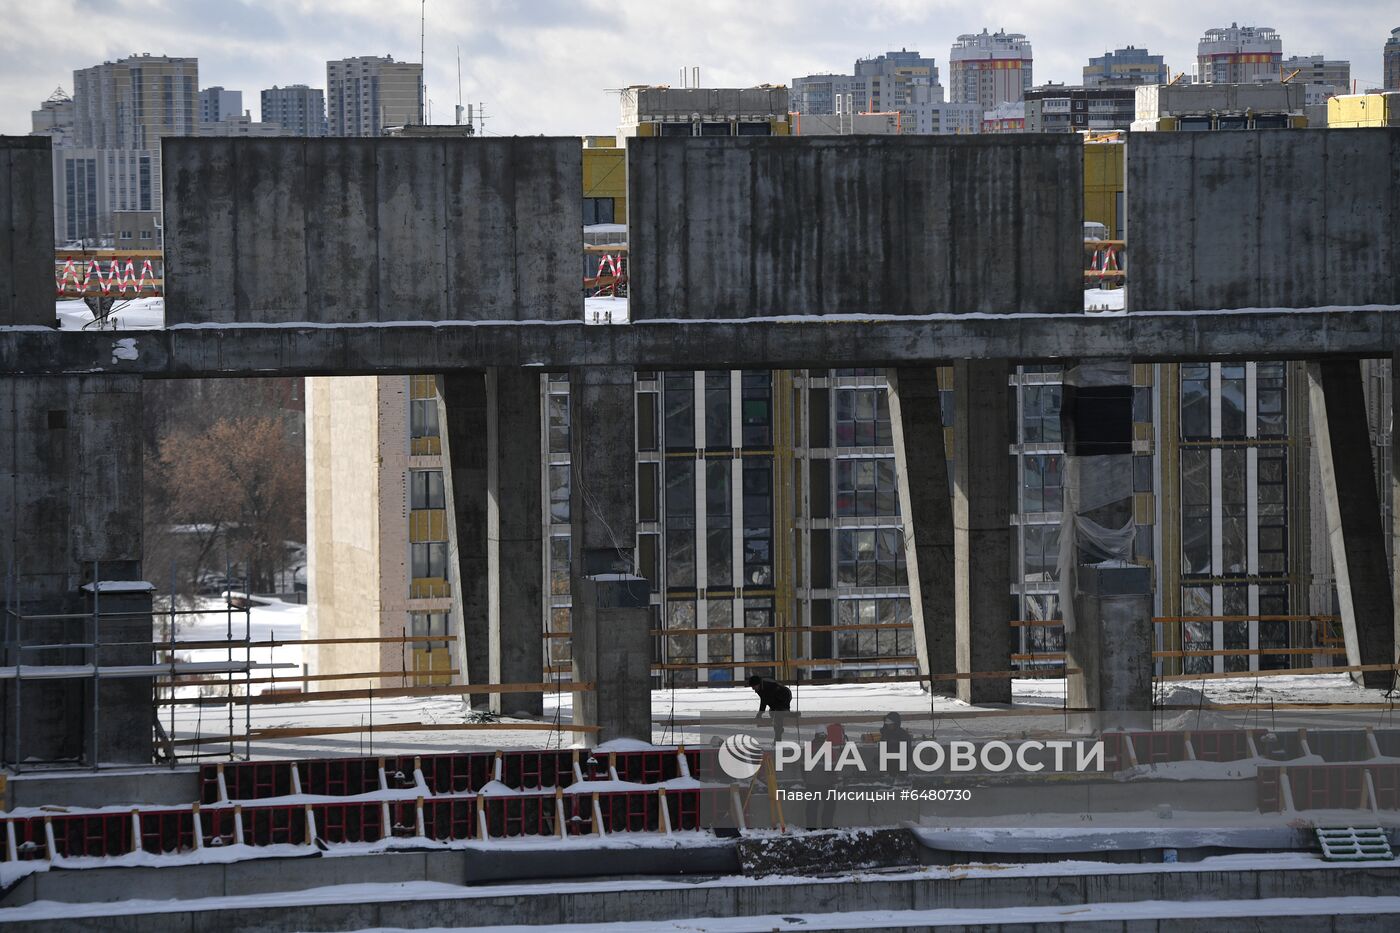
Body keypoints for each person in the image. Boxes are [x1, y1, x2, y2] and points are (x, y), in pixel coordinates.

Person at [748, 674, 793, 742]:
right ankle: (779, 730)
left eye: (754, 686)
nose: (753, 688)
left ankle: (778, 736)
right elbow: (764, 700)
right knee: (774, 713)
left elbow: (764, 700)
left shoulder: (767, 687)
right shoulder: (761, 687)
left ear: (758, 684)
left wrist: (760, 713)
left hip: (784, 695)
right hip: (776, 698)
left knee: (778, 714)